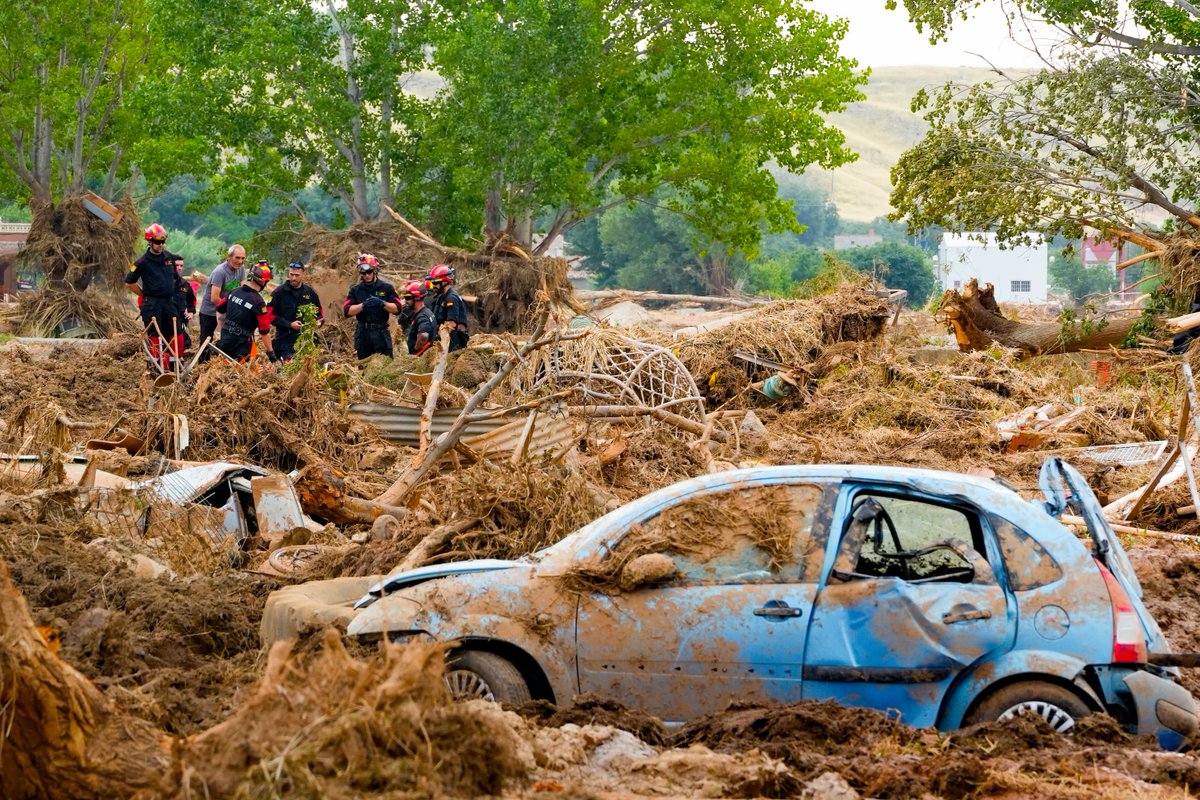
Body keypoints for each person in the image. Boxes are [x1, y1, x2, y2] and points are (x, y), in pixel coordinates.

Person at [124, 223, 185, 371]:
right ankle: (156, 369)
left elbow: (175, 278)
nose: (161, 245)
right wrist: (144, 295)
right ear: (150, 242)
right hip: (152, 305)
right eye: (158, 242)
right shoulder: (141, 262)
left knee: (176, 334)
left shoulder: (169, 257)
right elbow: (129, 282)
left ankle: (176, 367)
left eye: (163, 242)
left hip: (169, 304)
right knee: (155, 336)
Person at [215, 261, 275, 362]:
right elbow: (264, 331)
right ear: (264, 282)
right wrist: (271, 352)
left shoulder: (234, 291)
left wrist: (222, 328)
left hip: (225, 340)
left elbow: (219, 308)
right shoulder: (259, 303)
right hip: (241, 345)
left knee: (223, 369)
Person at [343, 254, 400, 359]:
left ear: (375, 270)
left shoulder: (386, 288)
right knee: (364, 367)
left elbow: (397, 308)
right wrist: (363, 305)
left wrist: (383, 303)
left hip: (381, 332)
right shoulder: (355, 290)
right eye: (363, 273)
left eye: (369, 272)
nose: (366, 276)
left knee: (385, 365)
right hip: (363, 333)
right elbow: (347, 311)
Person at [198, 244, 247, 361]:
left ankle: (225, 361)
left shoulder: (241, 270)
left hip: (227, 309)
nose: (240, 261)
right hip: (210, 311)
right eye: (237, 258)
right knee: (206, 339)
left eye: (242, 258)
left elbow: (244, 289)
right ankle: (202, 364)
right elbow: (214, 298)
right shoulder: (220, 272)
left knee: (229, 338)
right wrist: (231, 309)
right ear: (229, 257)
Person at [269, 261, 324, 361]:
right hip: (285, 339)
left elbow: (320, 314)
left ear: (303, 274)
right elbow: (269, 316)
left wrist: (318, 322)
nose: (293, 278)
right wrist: (289, 324)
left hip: (306, 339)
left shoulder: (310, 293)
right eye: (291, 274)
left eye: (297, 275)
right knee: (288, 367)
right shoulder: (279, 293)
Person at [426, 263, 469, 351]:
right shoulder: (441, 296)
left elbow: (451, 324)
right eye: (432, 282)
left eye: (435, 282)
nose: (433, 285)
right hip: (444, 341)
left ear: (445, 281)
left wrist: (438, 340)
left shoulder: (451, 298)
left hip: (452, 343)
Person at [404, 281, 438, 355]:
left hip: (420, 358)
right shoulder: (428, 312)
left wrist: (415, 349)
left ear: (416, 298)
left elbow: (423, 336)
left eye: (407, 298)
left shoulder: (422, 317)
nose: (405, 301)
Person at [173, 257, 197, 351]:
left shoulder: (185, 284)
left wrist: (191, 312)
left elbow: (191, 301)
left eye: (181, 266)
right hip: (164, 319)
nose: (179, 268)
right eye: (176, 265)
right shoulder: (163, 282)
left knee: (183, 344)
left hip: (180, 319)